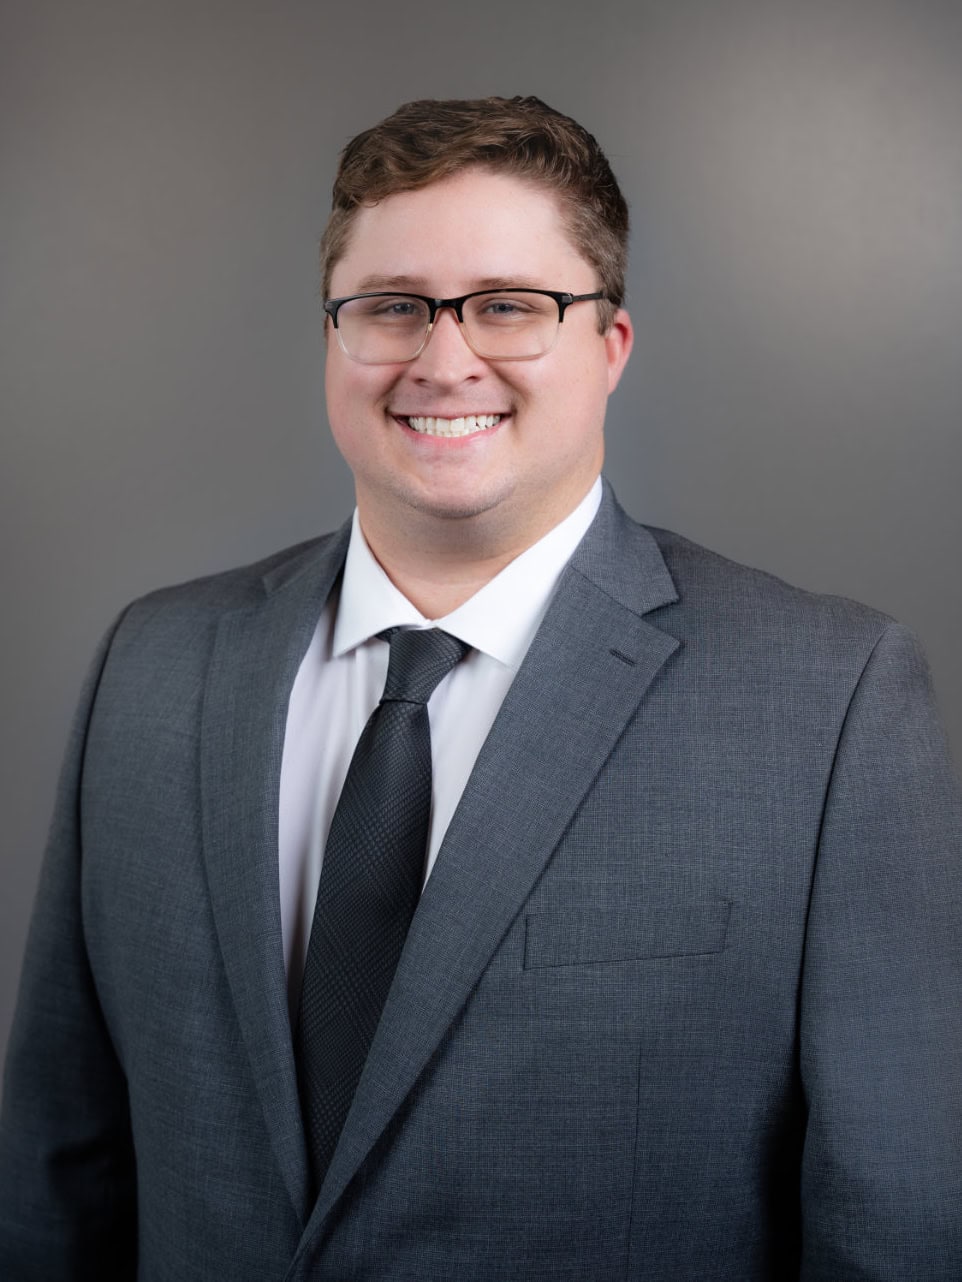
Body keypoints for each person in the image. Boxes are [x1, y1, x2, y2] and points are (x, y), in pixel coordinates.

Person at [1, 95, 961, 1282]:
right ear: (331, 336)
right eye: (391, 307)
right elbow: (56, 1169)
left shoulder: (827, 703)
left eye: (509, 306)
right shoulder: (152, 665)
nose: (442, 357)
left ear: (609, 346)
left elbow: (896, 1227)